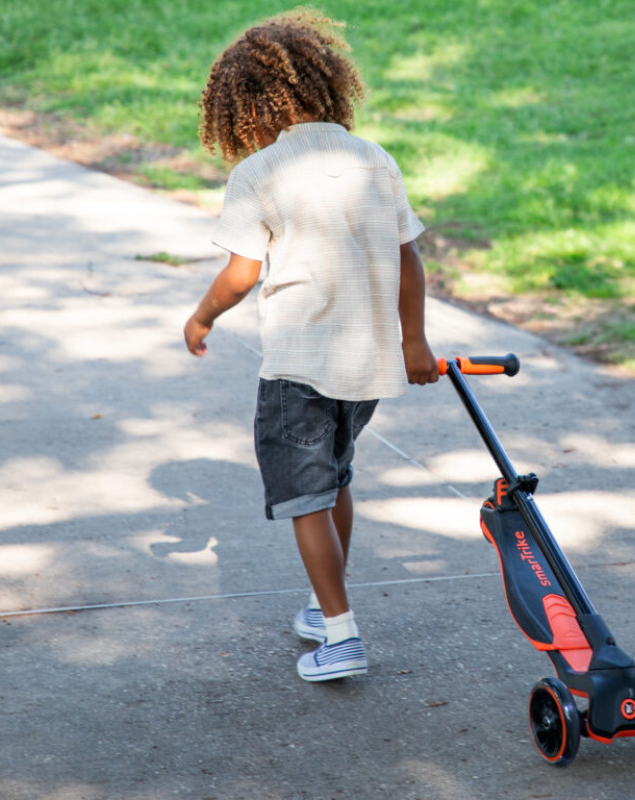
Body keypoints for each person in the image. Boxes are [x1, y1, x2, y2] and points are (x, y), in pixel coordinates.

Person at [184, 9, 439, 682]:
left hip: (300, 367)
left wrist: (202, 317)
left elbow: (240, 273)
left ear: (245, 109)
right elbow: (410, 260)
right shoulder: (374, 159)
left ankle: (342, 633)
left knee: (305, 497)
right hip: (369, 362)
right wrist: (416, 342)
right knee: (336, 478)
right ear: (325, 88)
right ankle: (323, 608)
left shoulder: (260, 173)